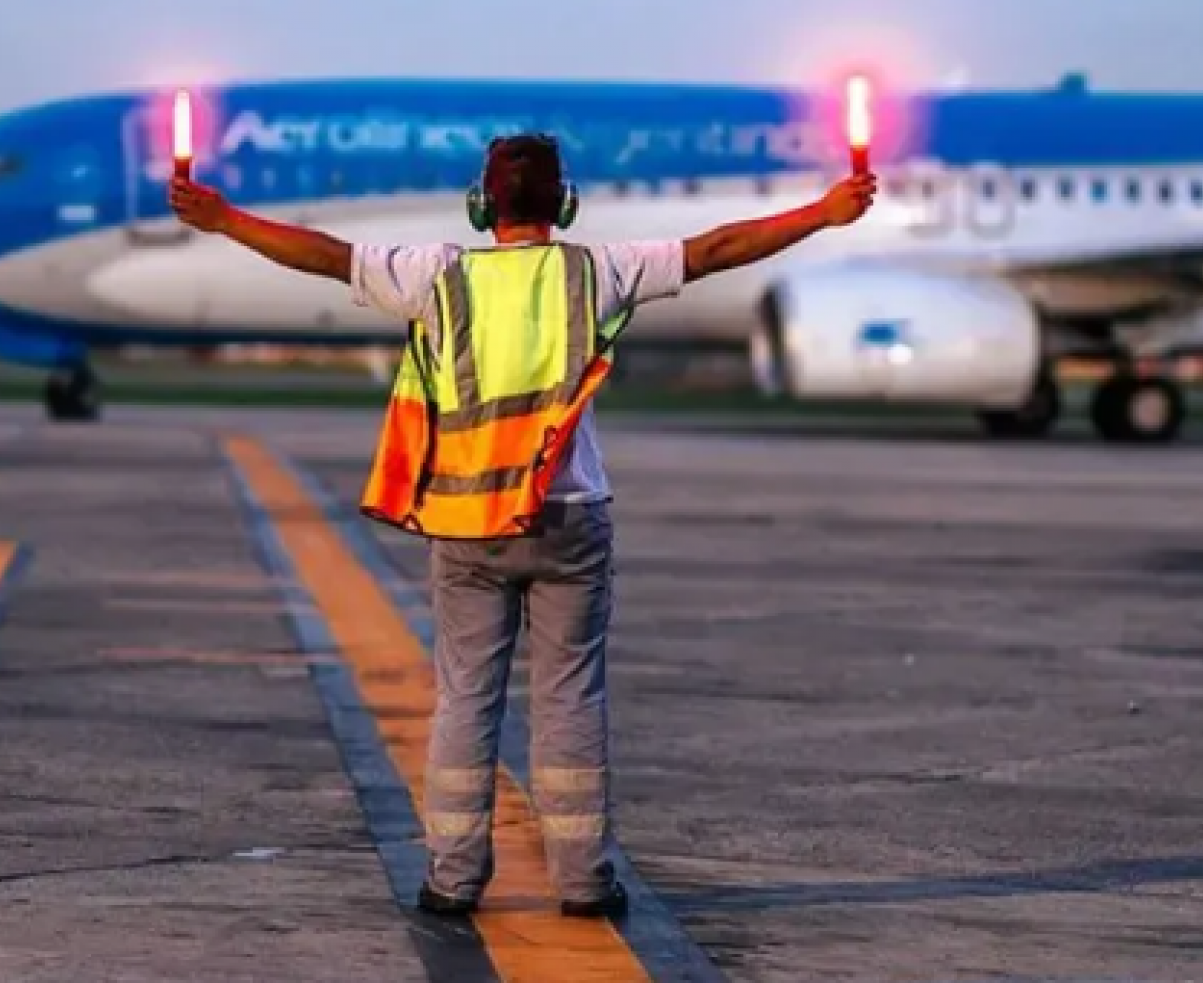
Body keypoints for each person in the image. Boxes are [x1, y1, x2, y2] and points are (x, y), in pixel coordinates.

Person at [168, 134, 876, 918]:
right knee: (571, 697)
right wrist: (824, 212)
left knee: (465, 699)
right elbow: (719, 249)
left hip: (468, 524)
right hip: (570, 520)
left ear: (483, 204)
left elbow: (325, 257)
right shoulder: (597, 271)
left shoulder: (436, 274)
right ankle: (582, 881)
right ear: (564, 204)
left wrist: (226, 218)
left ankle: (453, 877)